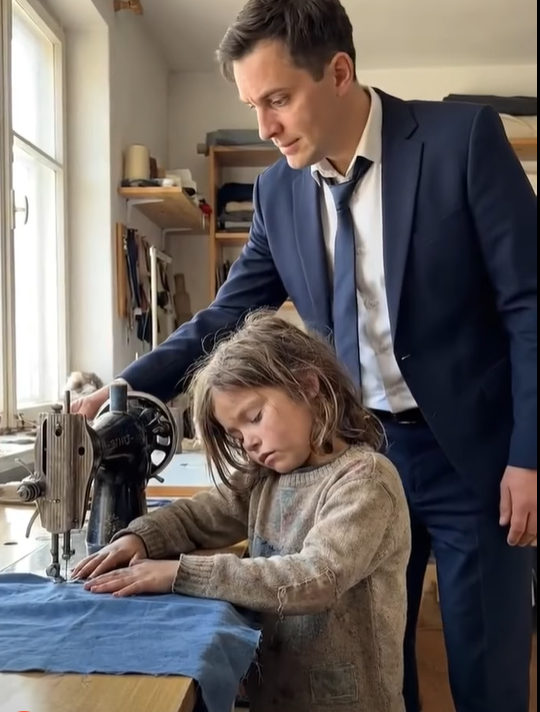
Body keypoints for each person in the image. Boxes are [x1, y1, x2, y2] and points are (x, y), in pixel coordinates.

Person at [73, 1, 537, 710]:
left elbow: (529, 306)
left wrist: (529, 455)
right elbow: (226, 316)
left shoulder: (462, 140)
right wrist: (124, 391)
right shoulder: (276, 191)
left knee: (485, 678)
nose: (265, 126)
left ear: (339, 72)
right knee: (377, 663)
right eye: (252, 106)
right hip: (357, 456)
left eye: (278, 99)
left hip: (475, 459)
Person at [72, 313, 412, 712]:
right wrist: (141, 537)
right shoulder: (265, 477)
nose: (249, 442)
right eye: (237, 435)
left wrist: (181, 573)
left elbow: (315, 578)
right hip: (275, 699)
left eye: (255, 418)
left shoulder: (365, 481)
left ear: (308, 385)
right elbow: (200, 516)